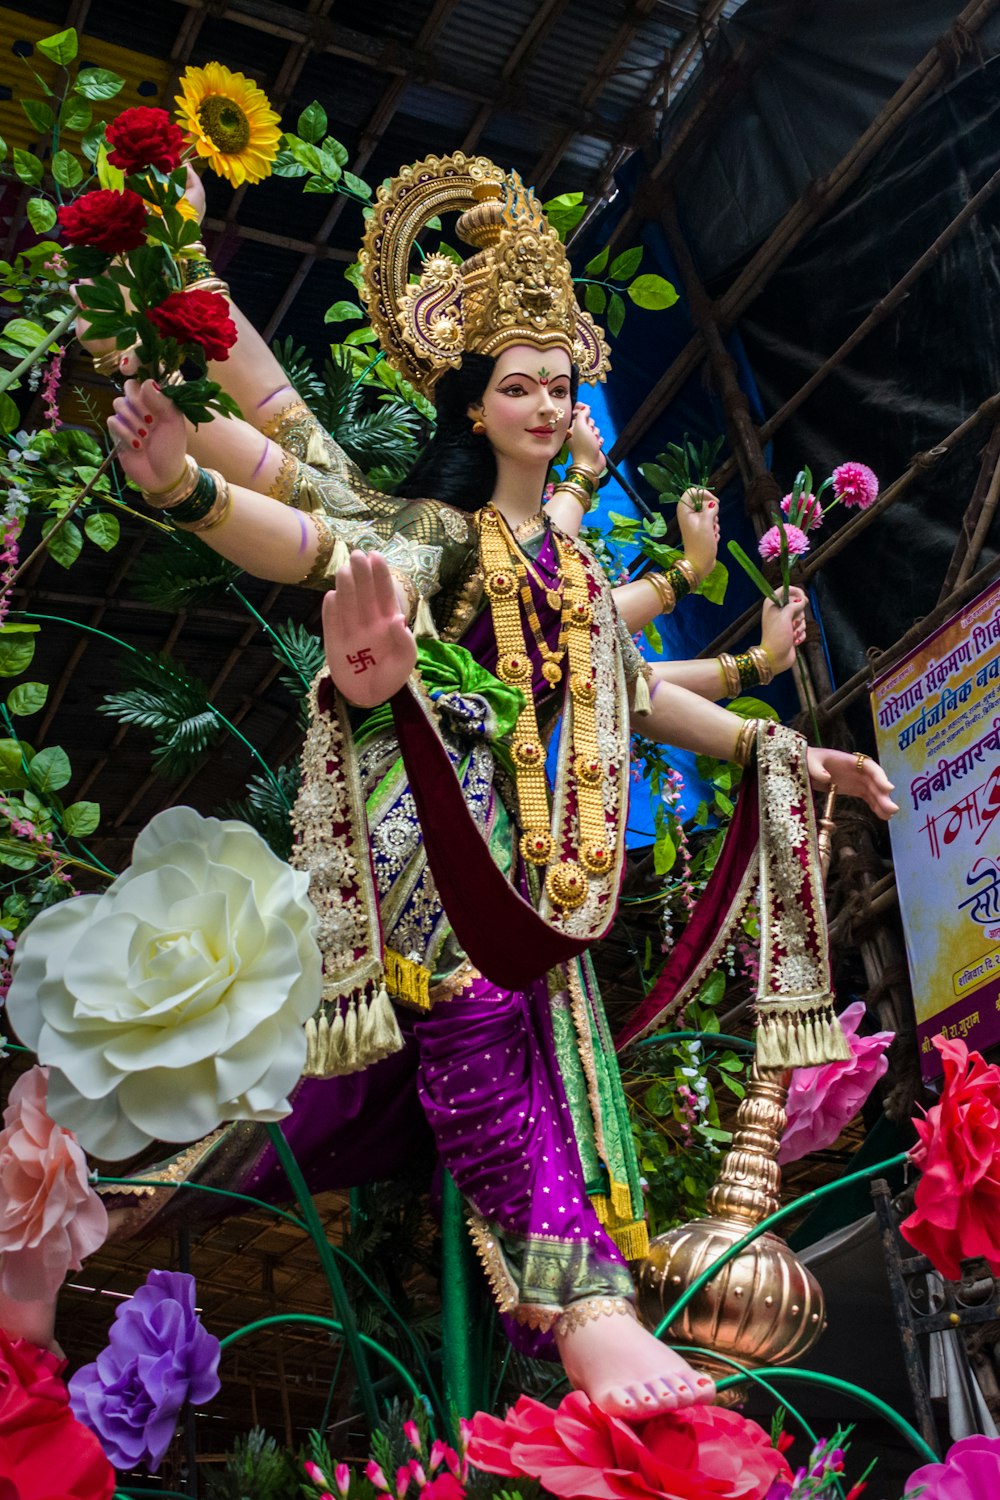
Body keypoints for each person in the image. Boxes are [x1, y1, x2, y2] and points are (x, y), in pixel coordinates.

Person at [94, 155, 895, 1419]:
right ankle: (582, 1308)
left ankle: (563, 1326)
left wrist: (781, 746)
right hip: (444, 856)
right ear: (473, 406)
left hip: (552, 897)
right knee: (470, 1036)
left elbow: (637, 694)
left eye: (558, 384)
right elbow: (313, 529)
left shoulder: (571, 569)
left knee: (561, 1103)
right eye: (516, 384)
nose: (542, 401)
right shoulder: (451, 537)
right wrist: (184, 490)